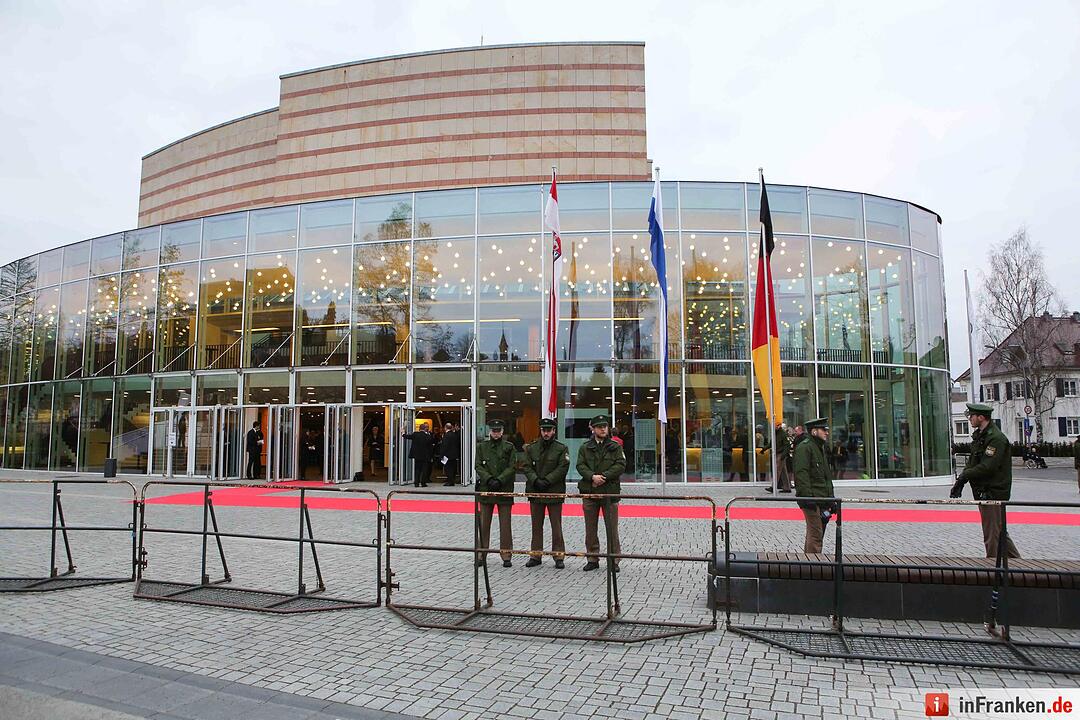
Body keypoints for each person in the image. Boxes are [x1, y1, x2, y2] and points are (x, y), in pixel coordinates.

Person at [950, 403, 1020, 559]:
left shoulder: (996, 439)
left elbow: (987, 467)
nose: (970, 419)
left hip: (993, 492)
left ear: (981, 417)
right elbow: (974, 461)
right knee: (999, 533)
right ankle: (1021, 568)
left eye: (972, 416)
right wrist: (961, 481)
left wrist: (964, 476)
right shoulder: (981, 436)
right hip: (984, 491)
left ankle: (993, 571)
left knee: (992, 535)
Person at [576, 415, 626, 572]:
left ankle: (614, 560)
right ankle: (592, 558)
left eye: (605, 426)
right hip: (590, 491)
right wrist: (592, 476)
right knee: (590, 529)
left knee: (612, 529)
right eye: (599, 426)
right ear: (593, 429)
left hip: (609, 491)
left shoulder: (615, 446)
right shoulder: (585, 447)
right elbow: (580, 465)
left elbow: (621, 464)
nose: (603, 429)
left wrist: (603, 476)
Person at [523, 417, 570, 568]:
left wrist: (548, 480)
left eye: (549, 430)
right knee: (536, 526)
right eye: (544, 430)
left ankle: (558, 556)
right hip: (536, 491)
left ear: (554, 431)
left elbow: (563, 468)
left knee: (556, 526)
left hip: (554, 491)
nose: (546, 433)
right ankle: (535, 556)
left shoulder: (561, 448)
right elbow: (526, 466)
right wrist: (536, 480)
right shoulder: (531, 448)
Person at [474, 419, 517, 567]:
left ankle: (506, 555)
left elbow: (512, 466)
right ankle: (481, 554)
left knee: (505, 525)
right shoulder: (482, 447)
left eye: (498, 431)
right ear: (489, 431)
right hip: (487, 489)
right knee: (484, 524)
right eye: (493, 431)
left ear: (502, 432)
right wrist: (489, 479)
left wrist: (499, 480)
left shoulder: (509, 447)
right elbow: (478, 465)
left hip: (504, 489)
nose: (496, 433)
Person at [792, 418, 836, 554]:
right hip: (811, 499)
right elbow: (801, 474)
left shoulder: (818, 447)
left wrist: (831, 497)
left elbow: (826, 477)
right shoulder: (805, 447)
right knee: (816, 534)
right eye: (824, 430)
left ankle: (809, 564)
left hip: (821, 498)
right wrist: (807, 498)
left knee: (816, 533)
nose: (826, 433)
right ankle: (813, 566)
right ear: (814, 431)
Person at [402, 422, 435, 487]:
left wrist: (403, 432)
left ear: (419, 428)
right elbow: (430, 447)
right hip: (425, 456)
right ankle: (423, 483)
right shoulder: (428, 436)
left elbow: (407, 436)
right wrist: (431, 456)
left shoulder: (415, 434)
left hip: (417, 456)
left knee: (417, 469)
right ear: (425, 429)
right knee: (424, 470)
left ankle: (416, 483)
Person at [764, 422, 793, 493]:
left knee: (777, 470)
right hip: (778, 453)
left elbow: (787, 445)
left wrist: (783, 455)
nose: (774, 427)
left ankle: (773, 487)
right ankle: (787, 488)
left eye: (776, 426)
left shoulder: (783, 434)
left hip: (781, 454)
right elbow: (771, 443)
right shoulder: (776, 433)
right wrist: (764, 449)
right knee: (783, 471)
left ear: (779, 426)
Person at [439, 421, 461, 486]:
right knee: (453, 468)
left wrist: (441, 455)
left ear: (445, 428)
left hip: (447, 455)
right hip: (454, 455)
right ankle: (452, 480)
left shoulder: (446, 435)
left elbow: (444, 446)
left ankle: (450, 481)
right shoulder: (454, 435)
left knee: (448, 469)